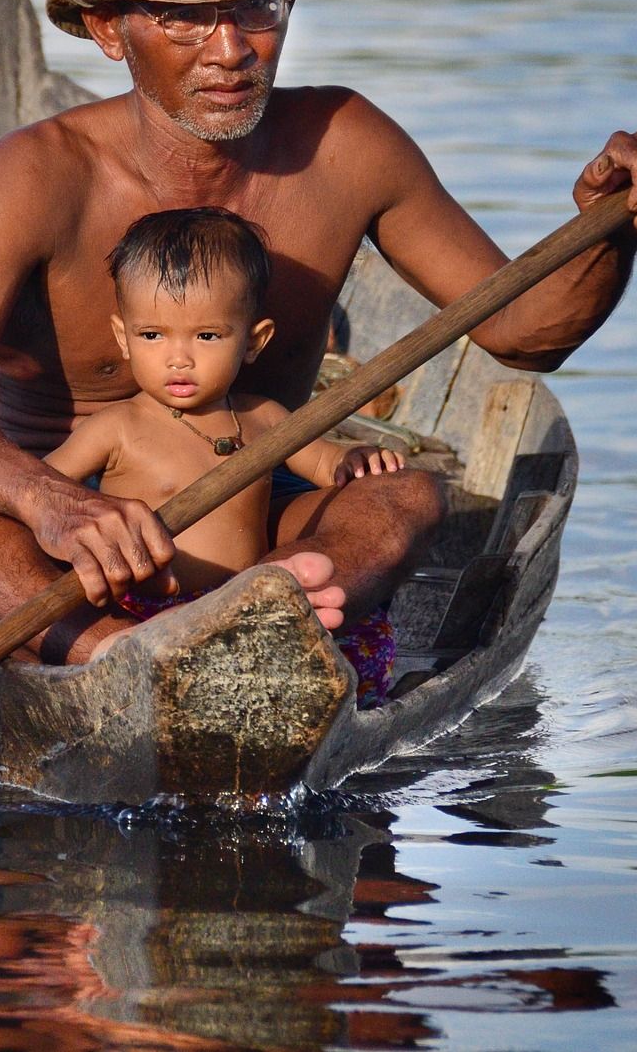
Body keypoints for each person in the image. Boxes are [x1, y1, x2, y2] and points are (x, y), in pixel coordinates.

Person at [0, 0, 637, 665]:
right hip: (67, 548)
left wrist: (612, 229)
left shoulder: (347, 146)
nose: (229, 48)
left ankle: (251, 635)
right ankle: (121, 663)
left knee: (404, 496)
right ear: (108, 29)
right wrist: (50, 501)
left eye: (256, 7)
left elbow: (529, 332)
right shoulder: (36, 173)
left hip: (258, 519)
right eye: (182, 15)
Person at [45, 207, 403, 702]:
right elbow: (49, 493)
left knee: (356, 642)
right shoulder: (116, 427)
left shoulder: (263, 418)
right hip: (149, 614)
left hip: (241, 608)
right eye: (153, 335)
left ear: (254, 342)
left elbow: (324, 463)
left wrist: (354, 459)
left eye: (207, 336)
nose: (179, 357)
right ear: (123, 339)